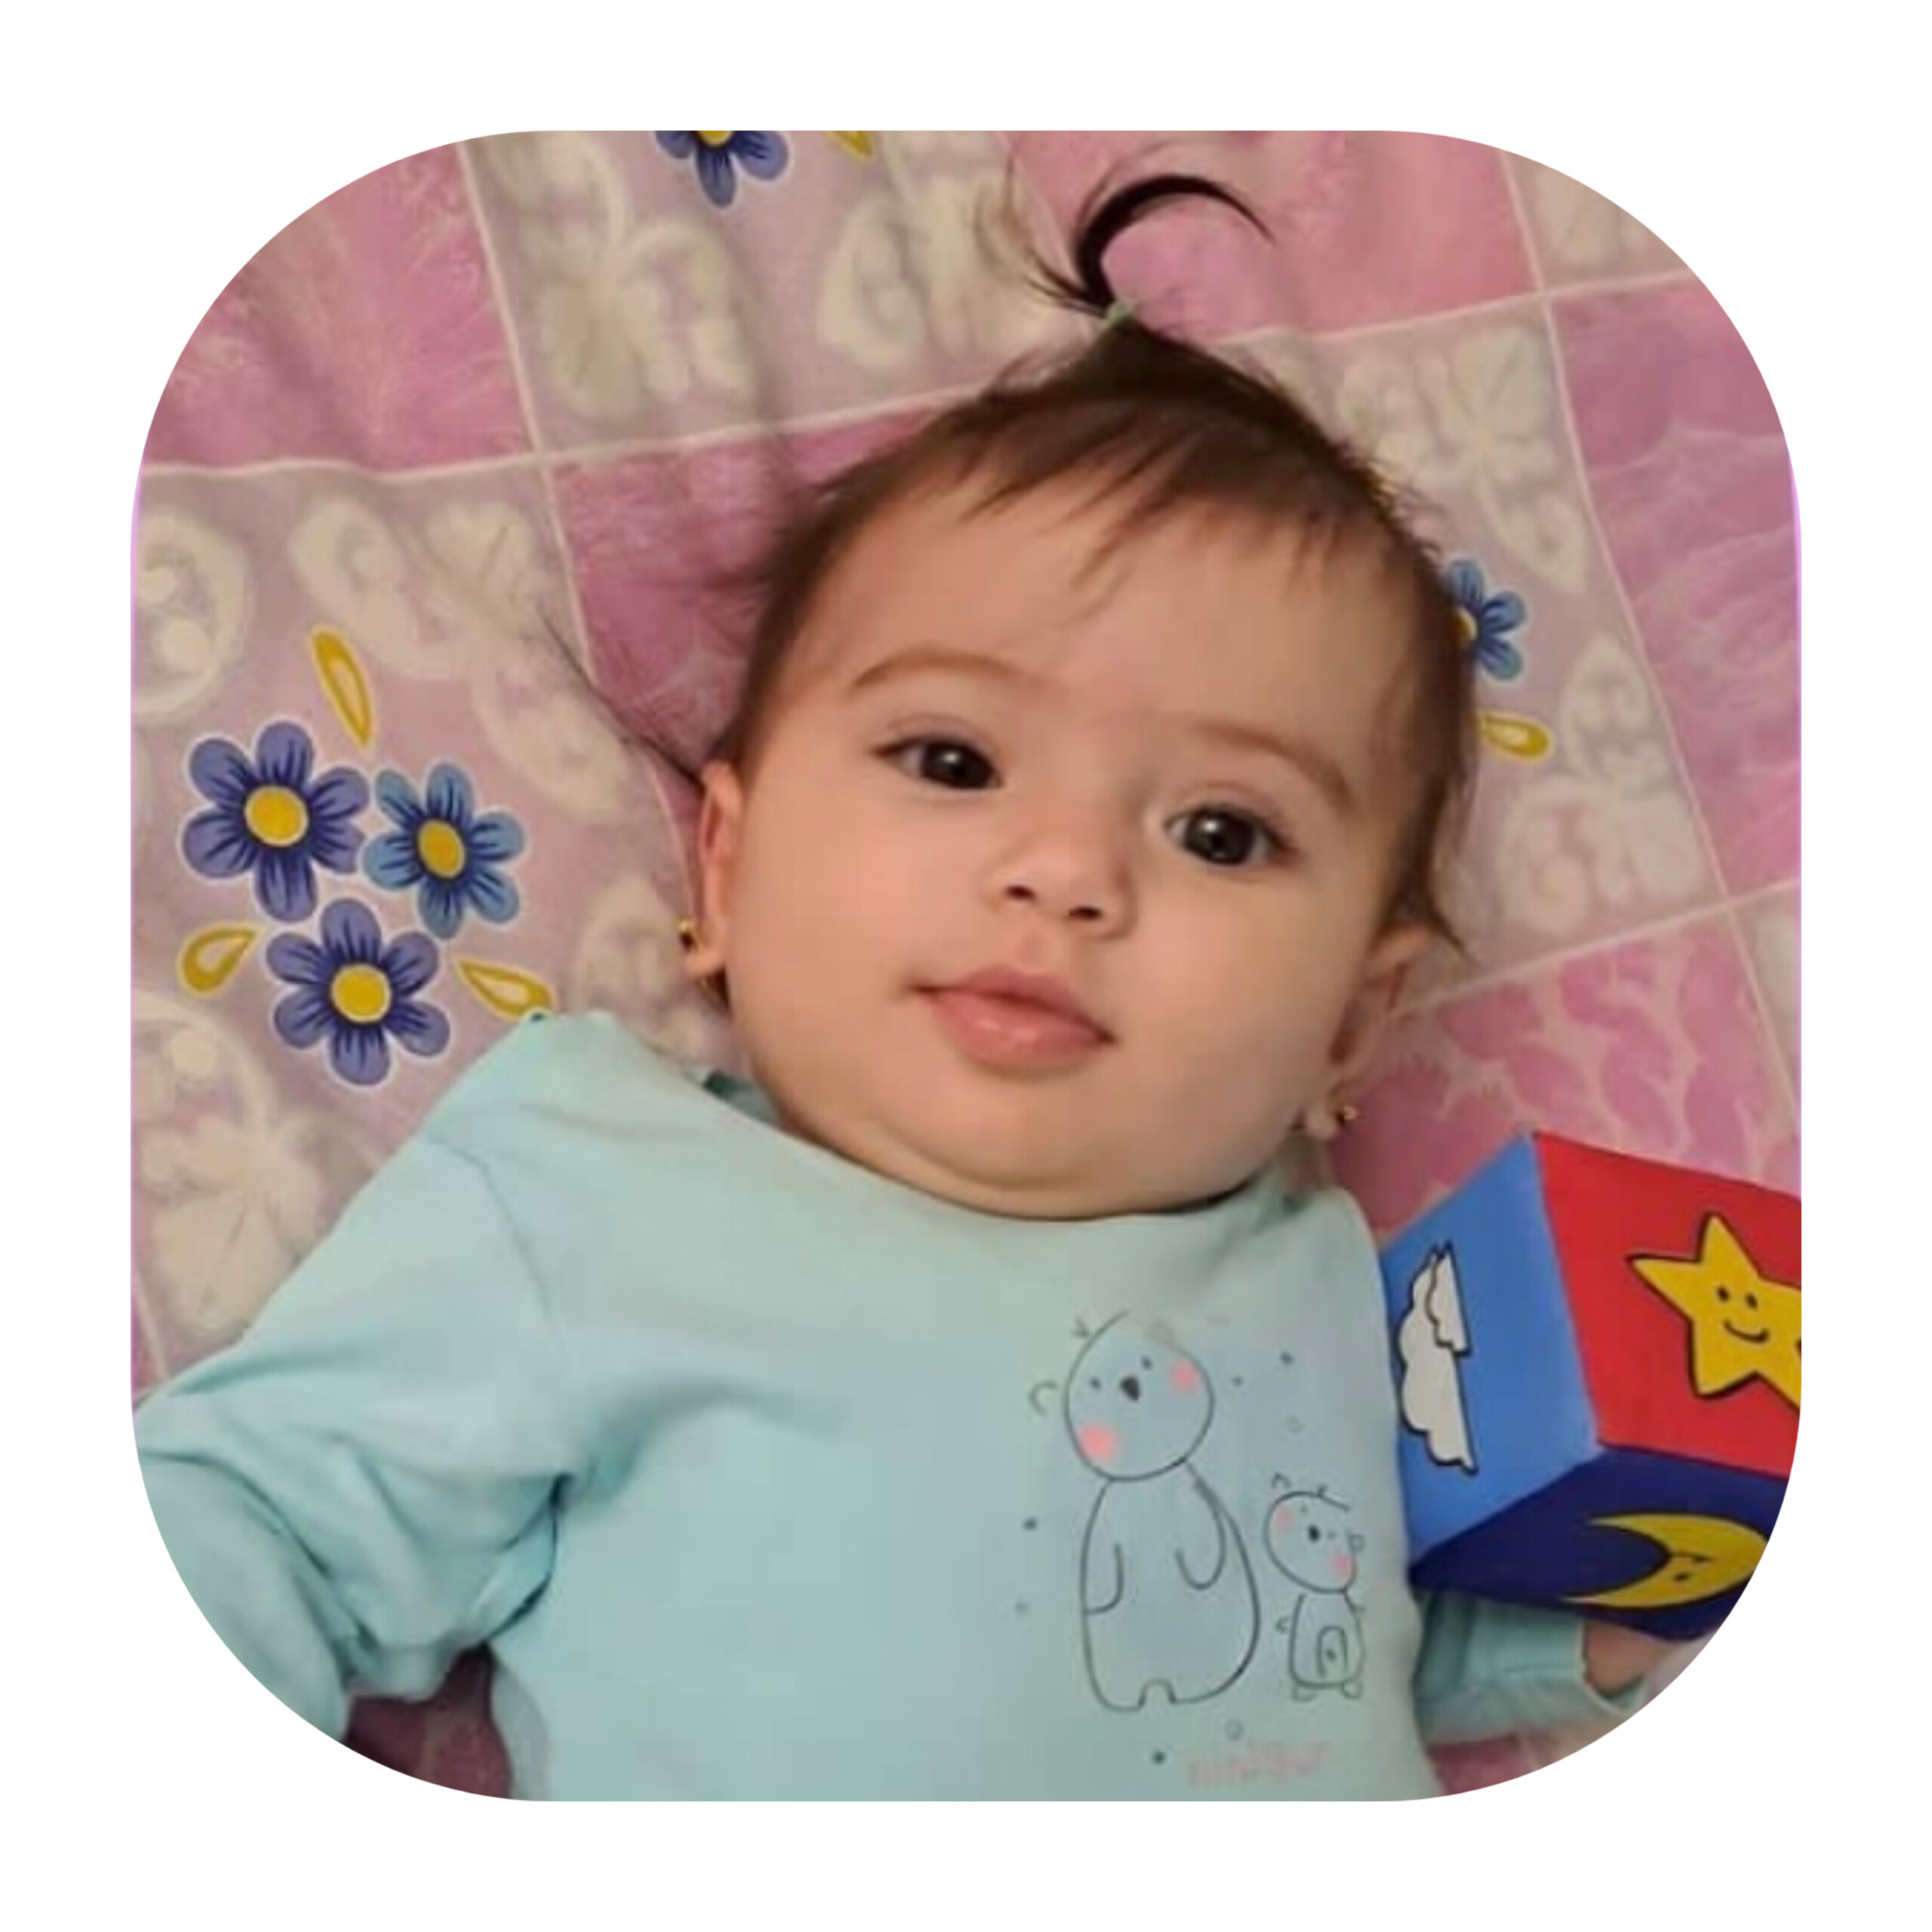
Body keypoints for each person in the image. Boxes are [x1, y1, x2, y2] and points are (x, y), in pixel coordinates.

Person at [134, 174, 1671, 1798]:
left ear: (1351, 1023)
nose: (1065, 872)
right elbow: (257, 1523)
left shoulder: (1326, 1282)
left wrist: (1554, 1649)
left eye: (1222, 831)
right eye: (952, 759)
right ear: (726, 869)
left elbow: (1285, 1616)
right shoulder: (595, 1189)